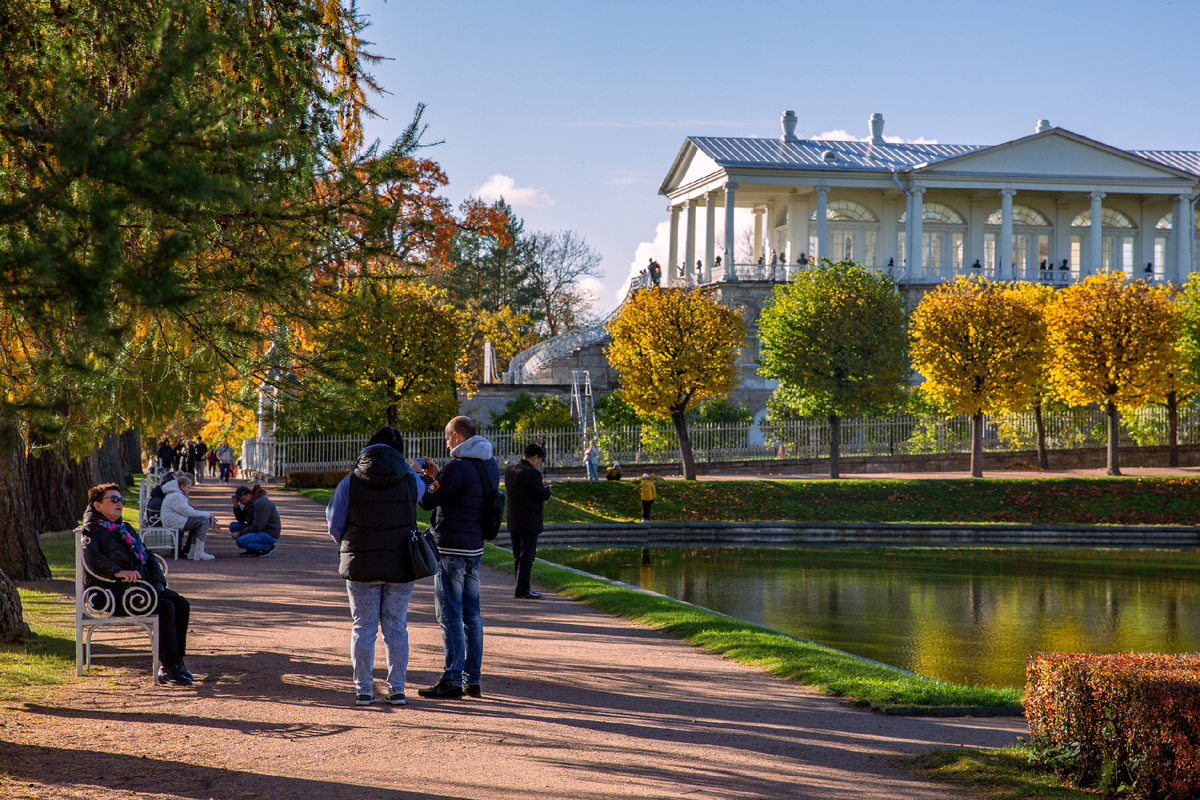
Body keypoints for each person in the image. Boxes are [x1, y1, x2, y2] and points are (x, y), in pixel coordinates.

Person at [326, 426, 425, 706]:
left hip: (361, 564)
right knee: (396, 628)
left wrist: (348, 543)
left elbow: (334, 521)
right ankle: (397, 688)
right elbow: (424, 498)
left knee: (363, 627)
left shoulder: (351, 480)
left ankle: (364, 688)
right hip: (401, 563)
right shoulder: (410, 479)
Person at [412, 415, 498, 700]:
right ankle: (471, 679)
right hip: (475, 548)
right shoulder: (489, 464)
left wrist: (420, 476)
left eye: (448, 437)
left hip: (451, 550)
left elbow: (426, 502)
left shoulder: (457, 467)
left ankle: (451, 679)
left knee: (449, 614)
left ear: (458, 436)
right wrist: (438, 476)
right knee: (472, 615)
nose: (447, 442)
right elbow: (464, 494)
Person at [82, 483, 193, 686]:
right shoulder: (92, 530)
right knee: (165, 608)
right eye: (113, 500)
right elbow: (92, 559)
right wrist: (119, 572)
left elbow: (148, 555)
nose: (120, 504)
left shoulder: (124, 529)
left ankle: (176, 662)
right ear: (98, 506)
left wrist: (159, 581)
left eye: (121, 500)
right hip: (111, 594)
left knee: (182, 604)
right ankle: (168, 667)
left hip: (138, 591)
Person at [505, 443, 552, 600]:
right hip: (529, 521)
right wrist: (547, 489)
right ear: (535, 457)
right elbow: (540, 494)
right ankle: (523, 589)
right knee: (527, 557)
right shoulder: (532, 473)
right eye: (540, 460)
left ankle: (521, 587)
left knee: (518, 556)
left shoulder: (511, 470)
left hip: (514, 520)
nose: (539, 463)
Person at [159, 473, 217, 561]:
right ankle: (199, 552)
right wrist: (208, 514)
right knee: (204, 521)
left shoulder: (176, 494)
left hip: (175, 519)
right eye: (188, 487)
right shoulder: (176, 496)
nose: (189, 490)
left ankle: (193, 552)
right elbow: (188, 512)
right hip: (173, 521)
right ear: (182, 487)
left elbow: (187, 511)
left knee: (200, 521)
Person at [229, 484, 280, 556]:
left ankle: (267, 547)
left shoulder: (261, 503)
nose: (241, 502)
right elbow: (241, 520)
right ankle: (253, 549)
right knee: (233, 526)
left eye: (241, 500)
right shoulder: (252, 502)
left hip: (269, 533)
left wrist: (240, 533)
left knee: (241, 541)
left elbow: (257, 527)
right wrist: (236, 507)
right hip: (260, 529)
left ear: (247, 496)